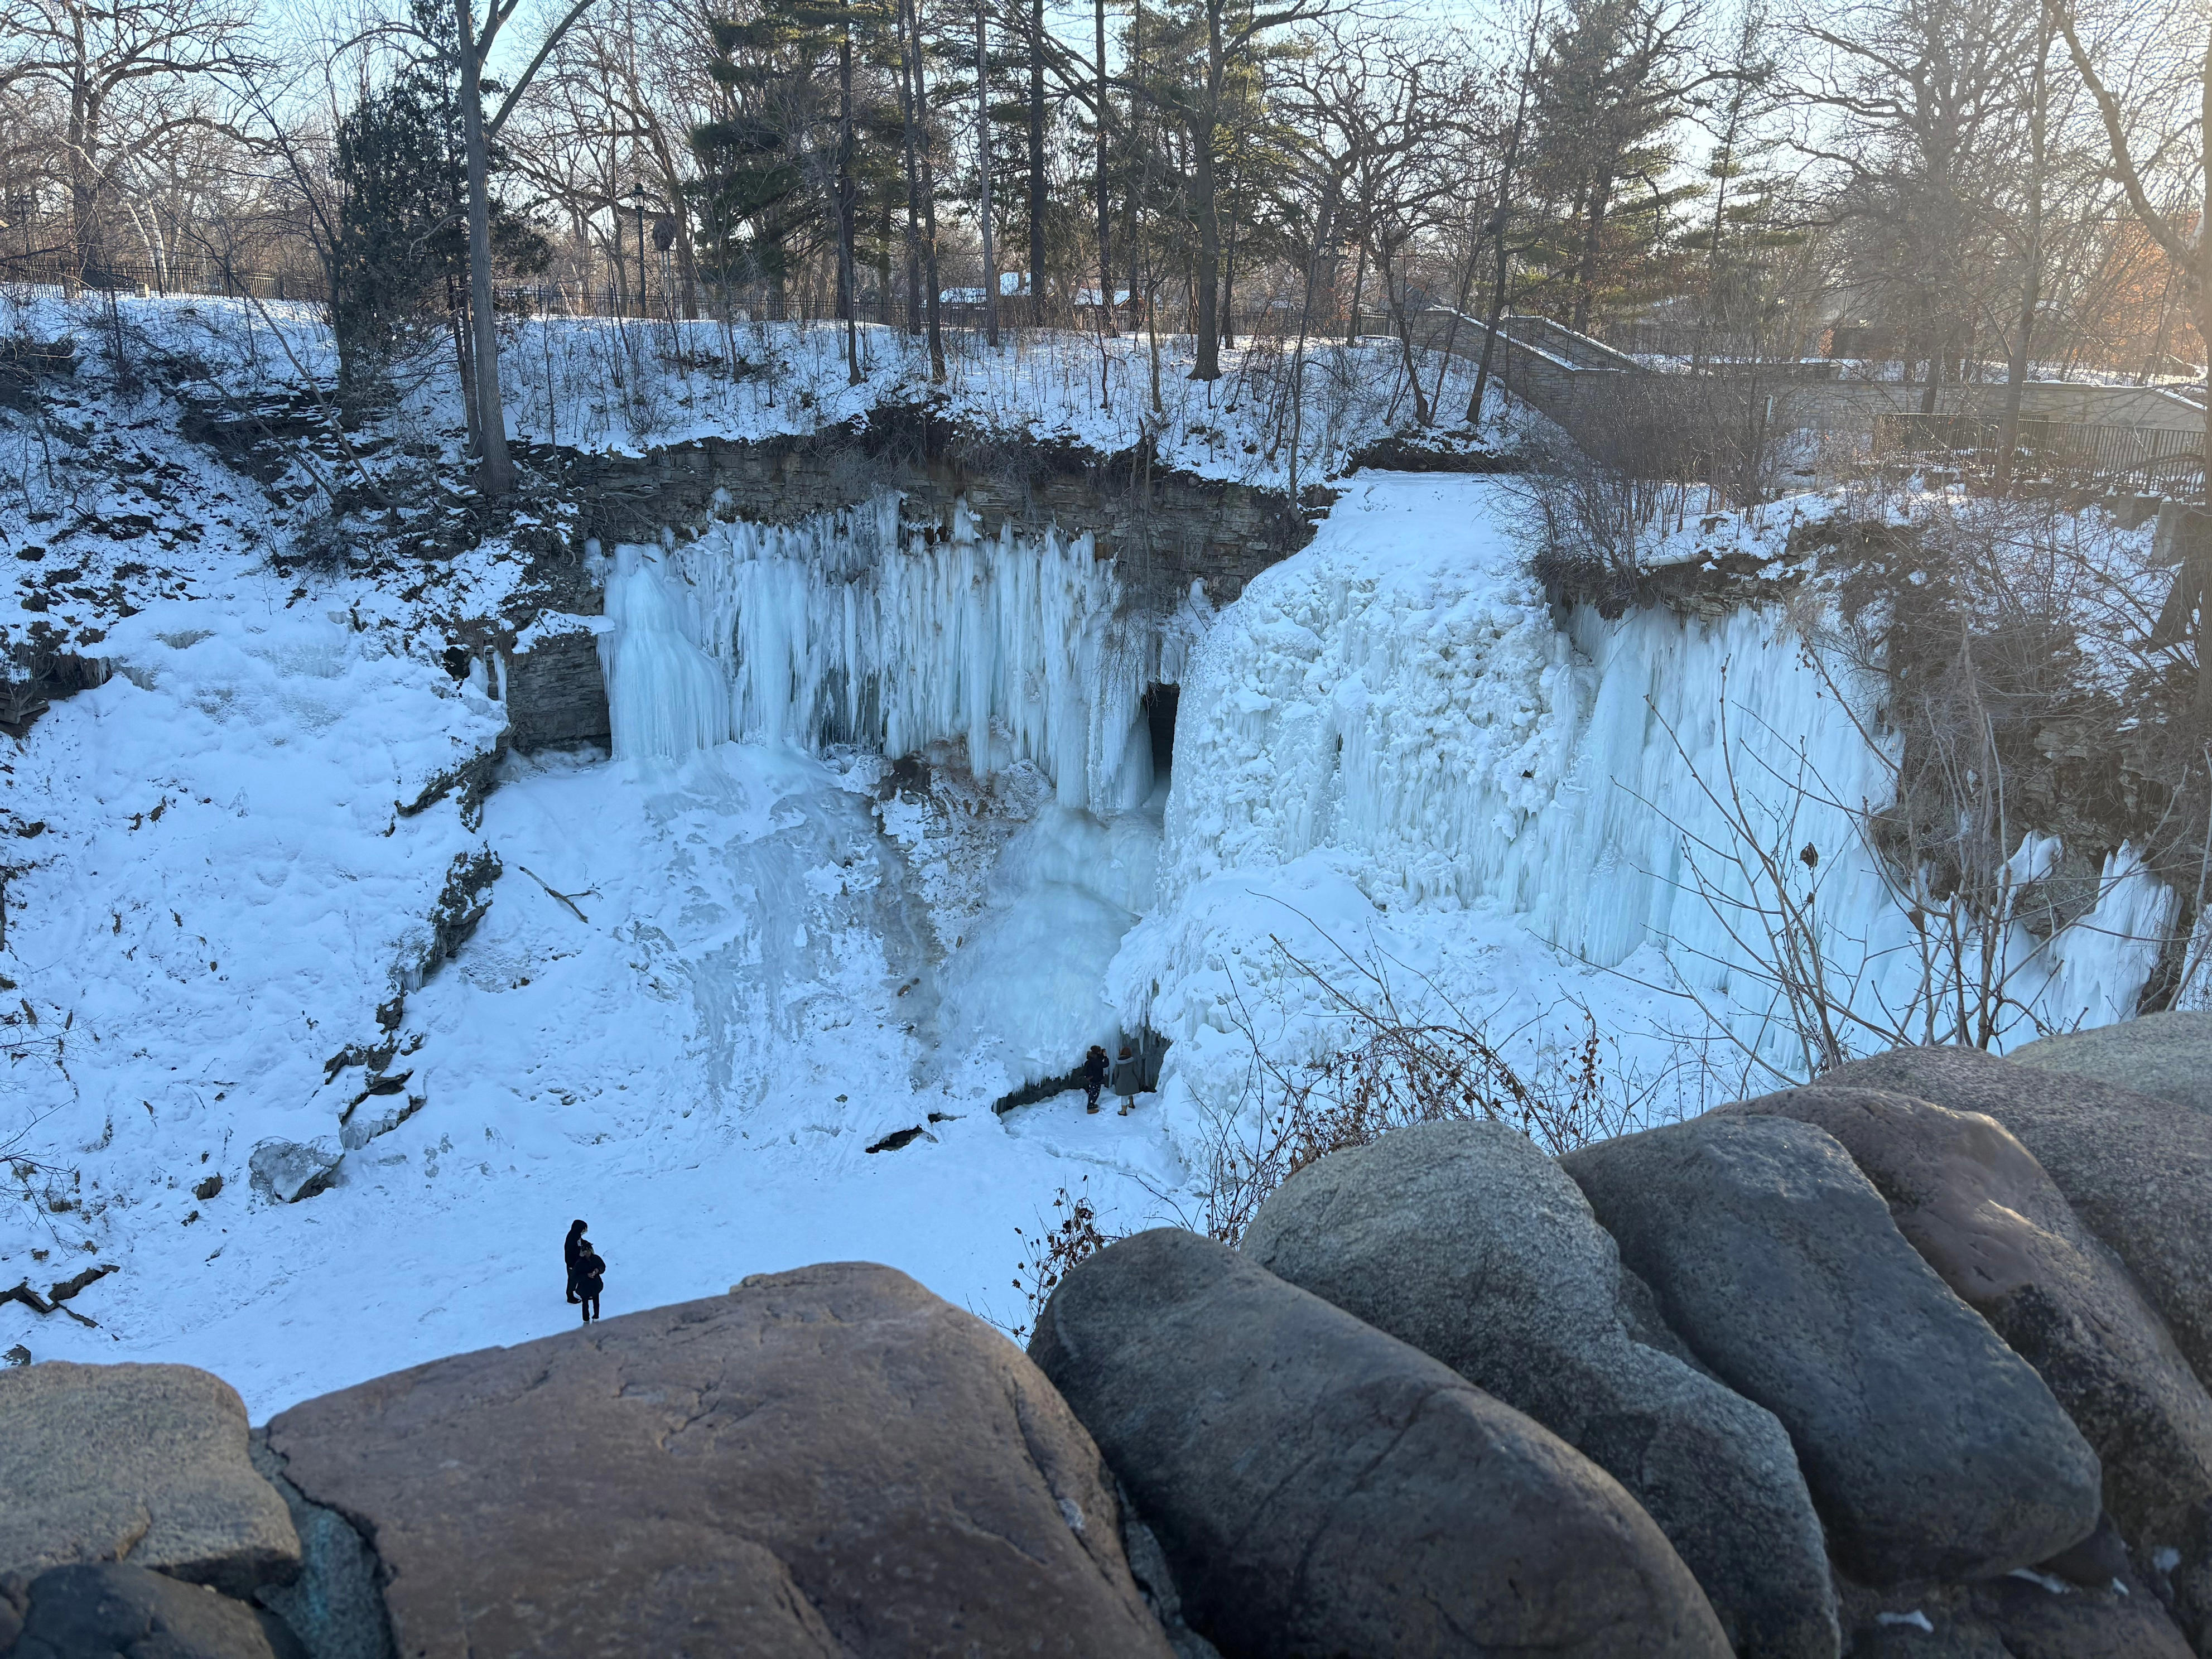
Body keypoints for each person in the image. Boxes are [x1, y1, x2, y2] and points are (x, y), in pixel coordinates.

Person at [575, 1239, 605, 1324]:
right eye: (585, 1252)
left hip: (595, 1285)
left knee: (596, 1303)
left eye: (588, 1252)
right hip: (584, 1287)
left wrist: (597, 1270)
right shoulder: (579, 1263)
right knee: (585, 1304)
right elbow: (575, 1277)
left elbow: (603, 1267)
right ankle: (586, 1320)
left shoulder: (596, 1259)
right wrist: (586, 1276)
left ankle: (596, 1317)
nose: (587, 1254)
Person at [563, 1219, 588, 1304]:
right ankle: (570, 1297)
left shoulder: (576, 1236)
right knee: (572, 1280)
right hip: (572, 1264)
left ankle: (582, 1292)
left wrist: (585, 1243)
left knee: (581, 1278)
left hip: (577, 1262)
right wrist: (571, 1265)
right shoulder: (572, 1238)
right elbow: (569, 1252)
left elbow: (580, 1242)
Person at [1081, 1045, 1109, 1113]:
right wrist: (1105, 1057)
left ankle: (1092, 1104)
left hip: (1093, 1078)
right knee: (1095, 1093)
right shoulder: (1095, 1061)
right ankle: (1090, 1108)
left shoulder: (1092, 1057)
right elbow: (1105, 1064)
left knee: (1093, 1092)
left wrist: (1102, 1054)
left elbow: (1099, 1059)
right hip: (1095, 1079)